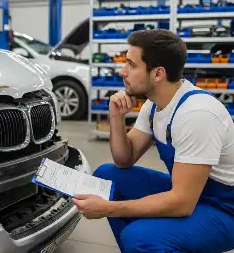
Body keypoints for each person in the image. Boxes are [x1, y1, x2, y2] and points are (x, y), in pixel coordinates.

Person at [73, 29, 234, 253]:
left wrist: (109, 209)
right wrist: (117, 117)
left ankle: (147, 243)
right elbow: (123, 159)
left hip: (224, 209)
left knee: (138, 237)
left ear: (157, 74)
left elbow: (182, 203)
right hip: (190, 191)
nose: (122, 72)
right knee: (107, 176)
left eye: (131, 65)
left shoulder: (197, 114)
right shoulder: (154, 105)